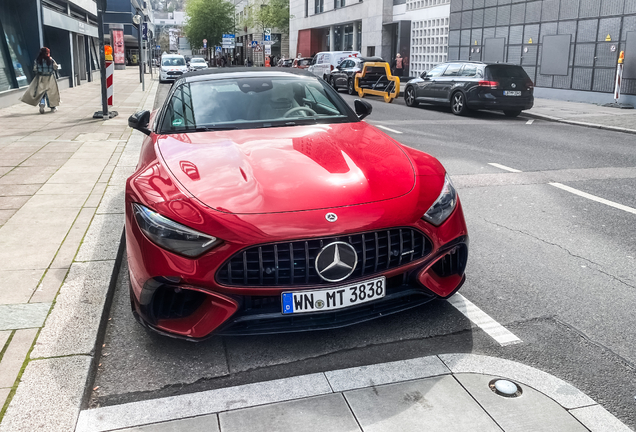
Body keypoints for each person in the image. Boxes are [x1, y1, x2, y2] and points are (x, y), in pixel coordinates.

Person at [20, 47, 60, 113]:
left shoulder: (37, 60)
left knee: (41, 92)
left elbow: (35, 69)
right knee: (51, 93)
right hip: (50, 78)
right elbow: (55, 67)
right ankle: (52, 107)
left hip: (41, 78)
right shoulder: (51, 60)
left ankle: (42, 103)